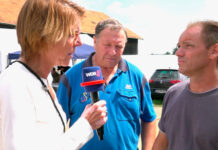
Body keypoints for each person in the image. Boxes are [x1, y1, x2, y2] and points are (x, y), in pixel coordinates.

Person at [0, 0, 108, 150]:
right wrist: (85, 125)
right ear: (44, 35)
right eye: (73, 34)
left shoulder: (41, 80)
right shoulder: (16, 83)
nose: (79, 42)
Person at [57, 18, 157, 150]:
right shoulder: (71, 77)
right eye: (107, 45)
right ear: (95, 42)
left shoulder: (136, 76)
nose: (112, 52)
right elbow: (55, 125)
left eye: (118, 46)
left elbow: (149, 119)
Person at [152, 20, 218, 150]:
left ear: (214, 51)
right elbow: (161, 144)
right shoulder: (173, 93)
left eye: (188, 46)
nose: (178, 52)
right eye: (179, 46)